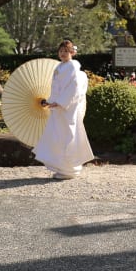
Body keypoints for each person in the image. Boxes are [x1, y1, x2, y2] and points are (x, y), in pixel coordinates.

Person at [33, 39, 95, 180]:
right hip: (58, 107)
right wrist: (49, 101)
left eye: (66, 51)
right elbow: (56, 88)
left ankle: (70, 168)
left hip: (68, 108)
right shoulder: (60, 67)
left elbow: (73, 89)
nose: (63, 53)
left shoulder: (73, 68)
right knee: (56, 135)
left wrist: (60, 102)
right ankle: (63, 167)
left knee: (68, 135)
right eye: (61, 51)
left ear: (72, 52)